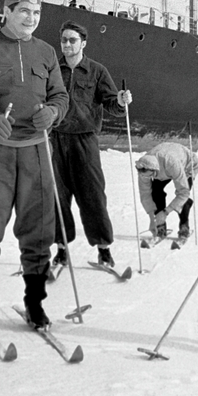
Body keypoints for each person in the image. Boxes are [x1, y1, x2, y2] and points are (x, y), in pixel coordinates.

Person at [0, 0, 69, 328]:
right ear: (7, 12)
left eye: (36, 13)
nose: (31, 19)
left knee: (39, 226)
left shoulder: (47, 52)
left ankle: (35, 302)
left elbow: (60, 96)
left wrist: (52, 113)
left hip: (36, 149)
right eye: (24, 11)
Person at [50, 21, 132, 270]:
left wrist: (120, 101)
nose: (67, 44)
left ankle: (104, 249)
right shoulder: (53, 69)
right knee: (57, 196)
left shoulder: (96, 71)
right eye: (64, 39)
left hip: (85, 140)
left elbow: (111, 104)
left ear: (83, 43)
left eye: (72, 40)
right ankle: (61, 250)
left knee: (93, 195)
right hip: (55, 139)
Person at [134, 141, 198, 240]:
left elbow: (183, 192)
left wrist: (165, 212)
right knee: (155, 193)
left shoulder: (172, 163)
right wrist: (152, 219)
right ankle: (160, 227)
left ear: (155, 170)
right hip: (163, 166)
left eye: (150, 175)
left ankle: (184, 227)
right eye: (146, 176)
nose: (148, 178)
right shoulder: (143, 167)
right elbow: (145, 194)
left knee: (183, 199)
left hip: (186, 164)